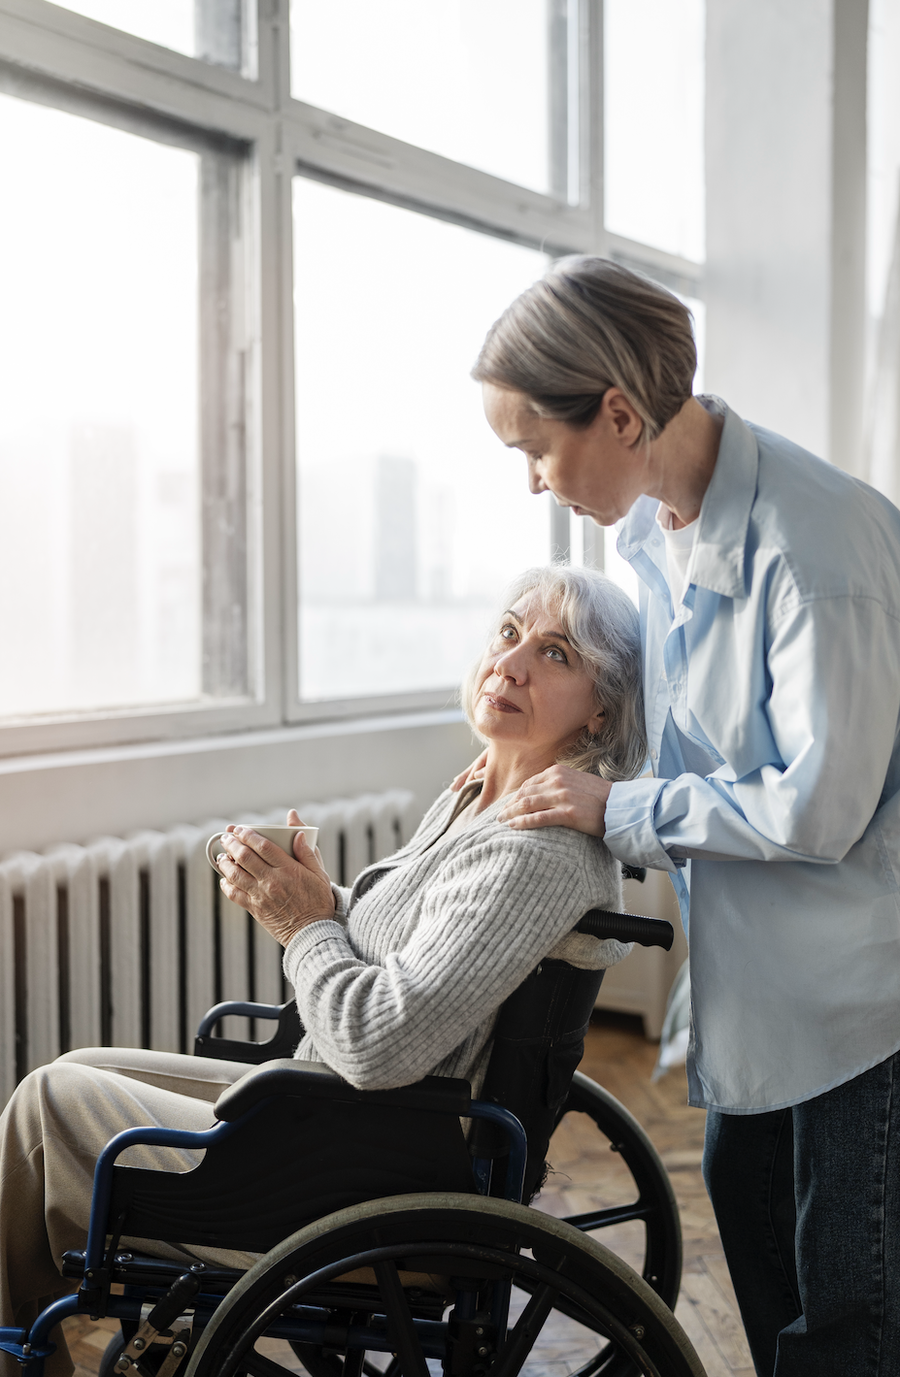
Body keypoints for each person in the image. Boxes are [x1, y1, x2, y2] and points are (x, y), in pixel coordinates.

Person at [0, 563, 645, 1377]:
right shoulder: (481, 795)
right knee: (76, 1070)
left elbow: (377, 1044)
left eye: (555, 653)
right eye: (510, 631)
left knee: (48, 1105)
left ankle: (24, 1350)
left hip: (373, 1157)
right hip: (345, 1118)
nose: (510, 662)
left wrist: (299, 920)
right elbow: (414, 948)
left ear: (603, 709)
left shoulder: (537, 849)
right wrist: (308, 893)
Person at [465, 254, 900, 1377]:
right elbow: (676, 732)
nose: (532, 482)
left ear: (617, 412)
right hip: (754, 967)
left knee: (847, 1307)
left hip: (863, 987)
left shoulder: (818, 549)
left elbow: (822, 804)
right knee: (753, 1242)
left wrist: (621, 808)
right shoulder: (649, 533)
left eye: (535, 448)